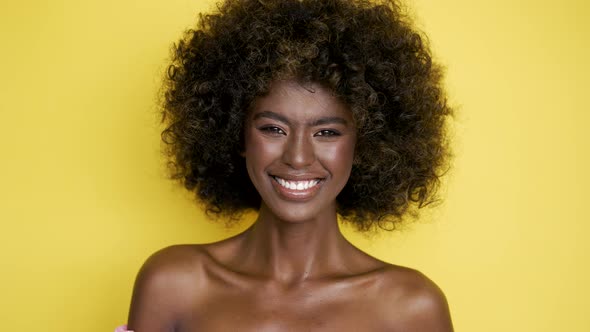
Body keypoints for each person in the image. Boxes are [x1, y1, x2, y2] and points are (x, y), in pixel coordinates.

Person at [120, 0, 453, 330]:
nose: (297, 157)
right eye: (273, 129)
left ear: (365, 143)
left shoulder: (410, 308)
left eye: (326, 132)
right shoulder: (174, 285)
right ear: (236, 135)